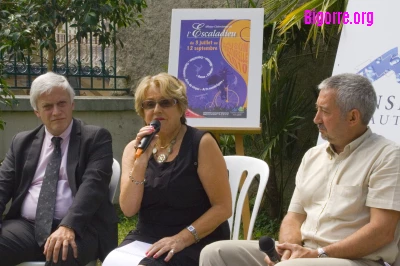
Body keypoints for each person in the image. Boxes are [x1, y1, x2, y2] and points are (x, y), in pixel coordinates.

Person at [200, 73, 400, 266]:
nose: (316, 119)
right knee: (215, 253)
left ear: (353, 117)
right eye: (317, 109)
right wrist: (290, 250)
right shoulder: (313, 156)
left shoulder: (387, 156)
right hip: (306, 254)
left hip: (356, 259)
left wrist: (318, 254)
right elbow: (294, 217)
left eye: (325, 111)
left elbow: (382, 231)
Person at [103, 72, 232, 266]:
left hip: (196, 238)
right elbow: (129, 209)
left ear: (181, 108)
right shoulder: (134, 149)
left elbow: (223, 207)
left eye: (165, 103)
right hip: (148, 236)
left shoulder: (201, 144)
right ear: (142, 111)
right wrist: (141, 160)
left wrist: (181, 238)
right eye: (149, 104)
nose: (157, 110)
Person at [0, 72, 118, 266]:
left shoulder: (96, 138)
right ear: (37, 112)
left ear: (72, 104)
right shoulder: (21, 142)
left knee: (61, 256)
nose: (56, 111)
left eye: (62, 103)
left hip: (81, 227)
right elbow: (3, 185)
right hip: (28, 227)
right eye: (47, 106)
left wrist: (68, 225)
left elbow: (93, 187)